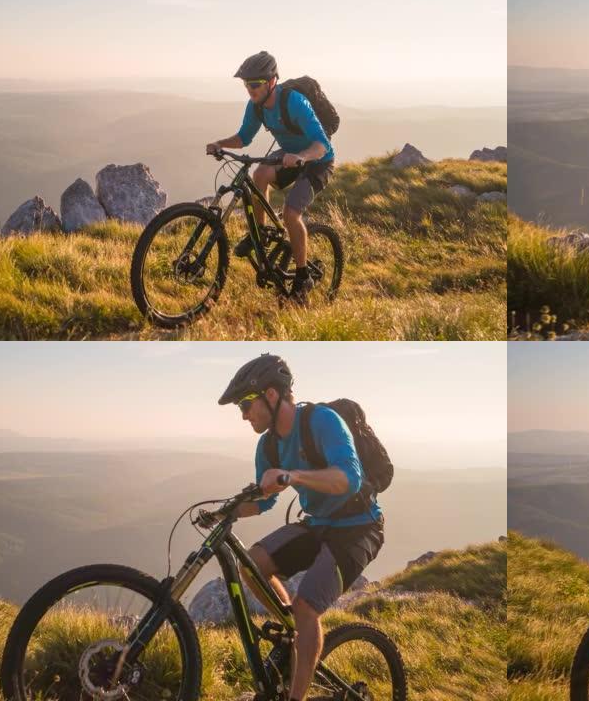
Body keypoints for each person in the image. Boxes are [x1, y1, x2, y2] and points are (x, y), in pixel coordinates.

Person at [209, 354, 384, 701]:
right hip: (317, 524)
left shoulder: (323, 421)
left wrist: (292, 476)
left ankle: (295, 695)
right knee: (253, 565)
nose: (243, 414)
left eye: (246, 404)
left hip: (358, 527)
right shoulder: (269, 444)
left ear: (272, 395)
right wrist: (223, 514)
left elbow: (349, 479)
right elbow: (264, 500)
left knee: (308, 608)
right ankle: (296, 632)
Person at [205, 51, 335, 301]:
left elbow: (322, 145)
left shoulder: (295, 102)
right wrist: (220, 143)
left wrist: (302, 157)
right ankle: (261, 236)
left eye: (255, 84)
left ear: (272, 81)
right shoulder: (256, 107)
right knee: (260, 173)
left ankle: (302, 275)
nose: (250, 89)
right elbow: (243, 138)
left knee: (290, 214)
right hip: (289, 154)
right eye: (246, 84)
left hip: (317, 160)